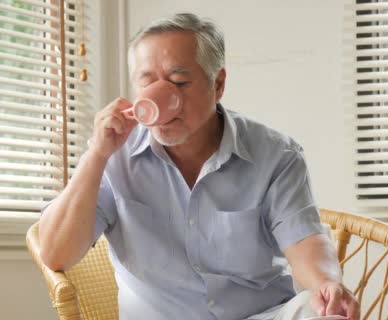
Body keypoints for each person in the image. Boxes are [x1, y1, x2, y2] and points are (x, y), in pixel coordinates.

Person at [38, 13, 359, 320]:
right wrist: (96, 154)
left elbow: (304, 240)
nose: (160, 95)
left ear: (218, 84)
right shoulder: (114, 156)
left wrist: (326, 283)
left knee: (318, 311)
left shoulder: (276, 154)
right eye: (146, 82)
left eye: (179, 81)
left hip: (262, 315)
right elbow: (55, 254)